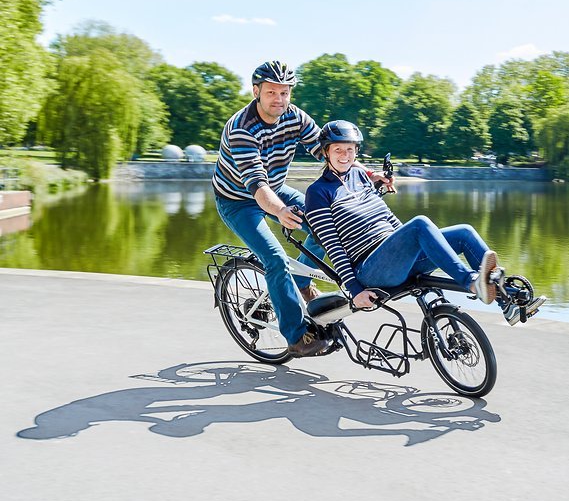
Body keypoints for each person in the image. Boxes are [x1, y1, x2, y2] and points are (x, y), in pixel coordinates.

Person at [304, 120, 545, 324]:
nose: (345, 156)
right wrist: (355, 290)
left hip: (396, 258)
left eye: (350, 150)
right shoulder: (318, 192)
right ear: (326, 152)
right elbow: (332, 246)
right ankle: (471, 283)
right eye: (338, 150)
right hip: (371, 269)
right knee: (420, 224)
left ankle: (507, 303)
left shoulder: (359, 176)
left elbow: (386, 218)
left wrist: (411, 244)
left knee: (464, 232)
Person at [212, 60, 330, 357]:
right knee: (275, 258)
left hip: (275, 189)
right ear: (256, 92)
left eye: (285, 93)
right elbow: (258, 186)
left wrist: (366, 174)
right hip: (239, 201)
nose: (279, 99)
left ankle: (301, 282)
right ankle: (296, 336)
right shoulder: (241, 128)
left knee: (328, 223)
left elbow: (328, 152)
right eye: (271, 93)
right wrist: (279, 212)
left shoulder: (295, 117)